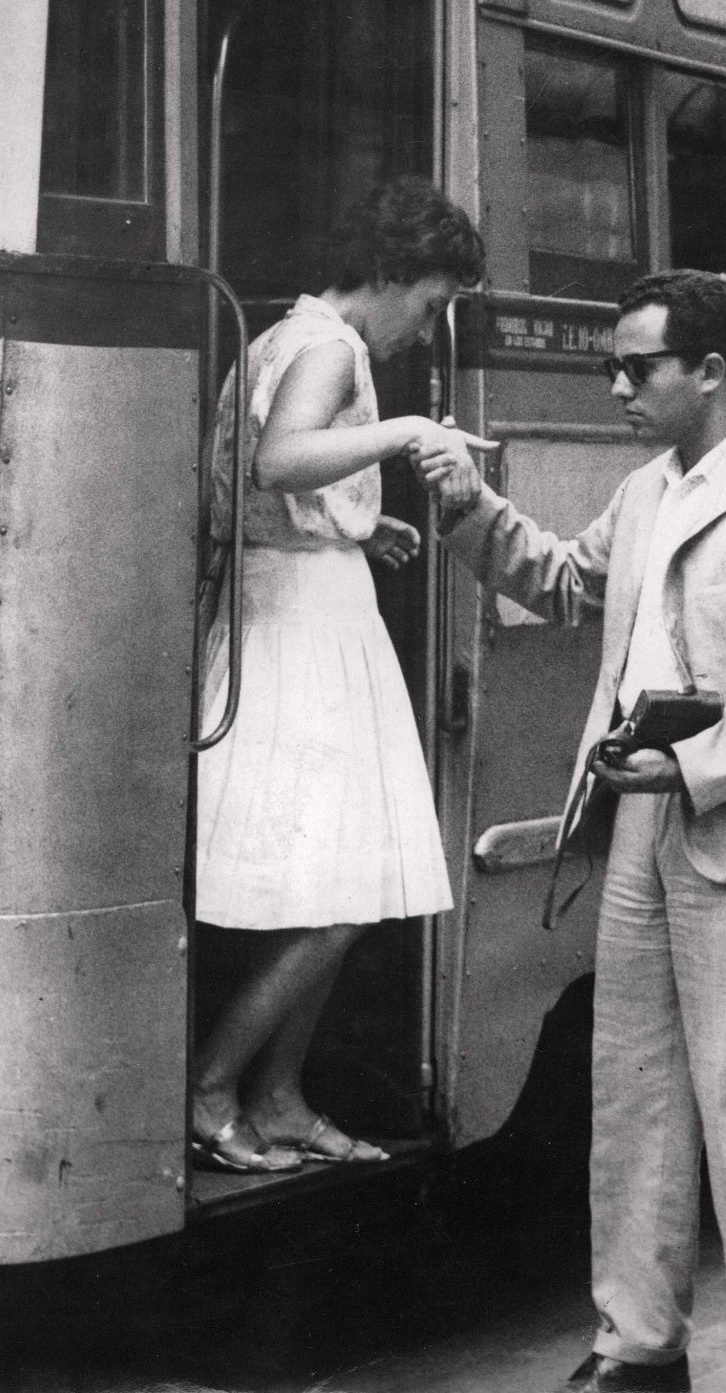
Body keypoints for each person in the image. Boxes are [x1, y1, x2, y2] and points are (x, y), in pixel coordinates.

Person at [440, 270, 726, 1393]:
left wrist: (689, 761)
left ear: (711, 370)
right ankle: (638, 1347)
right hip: (644, 829)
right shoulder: (645, 494)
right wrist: (463, 506)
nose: (615, 385)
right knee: (633, 1098)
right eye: (614, 366)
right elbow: (560, 581)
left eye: (637, 366)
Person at [189, 177, 487, 1175]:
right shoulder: (332, 346)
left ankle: (275, 1095)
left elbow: (262, 488)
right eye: (434, 300)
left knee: (339, 887)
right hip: (306, 637)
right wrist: (403, 438)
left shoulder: (280, 336)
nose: (428, 325)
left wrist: (357, 517)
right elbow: (281, 459)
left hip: (290, 606)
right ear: (396, 272)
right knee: (335, 897)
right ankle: (215, 1088)